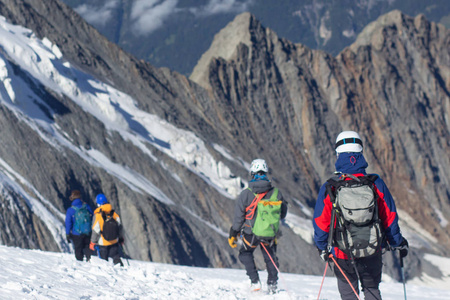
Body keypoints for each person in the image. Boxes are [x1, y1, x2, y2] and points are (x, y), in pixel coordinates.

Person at [313, 131, 409, 300]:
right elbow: (390, 217)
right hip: (372, 249)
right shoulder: (375, 183)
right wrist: (397, 242)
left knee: (349, 293)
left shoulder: (330, 187)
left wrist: (322, 247)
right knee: (372, 290)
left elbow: (321, 222)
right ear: (361, 152)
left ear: (337, 154)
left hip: (342, 252)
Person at [228, 158, 288, 293]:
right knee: (271, 258)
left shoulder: (246, 194)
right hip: (270, 233)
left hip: (251, 234)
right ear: (266, 172)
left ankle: (255, 281)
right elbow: (282, 214)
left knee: (245, 253)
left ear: (252, 173)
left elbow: (239, 218)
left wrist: (234, 232)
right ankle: (272, 284)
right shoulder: (277, 193)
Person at [90, 194, 124, 266]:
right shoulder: (114, 214)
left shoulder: (97, 215)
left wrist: (93, 242)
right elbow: (119, 227)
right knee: (115, 257)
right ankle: (121, 269)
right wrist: (121, 239)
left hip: (102, 242)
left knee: (103, 262)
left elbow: (95, 230)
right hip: (114, 241)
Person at [65, 190, 93, 262]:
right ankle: (89, 259)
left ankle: (80, 264)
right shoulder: (86, 206)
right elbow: (92, 216)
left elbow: (68, 223)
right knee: (87, 246)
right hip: (87, 231)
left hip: (76, 233)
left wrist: (67, 234)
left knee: (78, 249)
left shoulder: (71, 210)